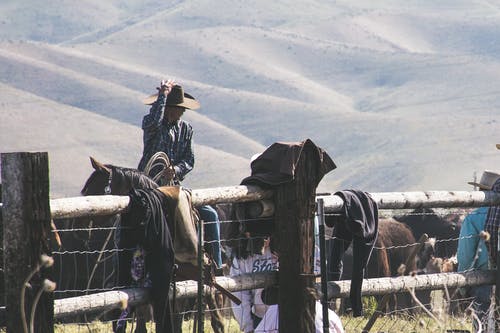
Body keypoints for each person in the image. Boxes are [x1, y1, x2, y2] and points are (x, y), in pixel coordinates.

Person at [138, 79, 222, 267]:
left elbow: (188, 161)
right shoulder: (152, 124)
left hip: (174, 187)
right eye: (179, 108)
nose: (183, 112)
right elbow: (153, 122)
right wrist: (162, 97)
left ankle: (216, 265)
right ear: (168, 108)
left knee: (209, 215)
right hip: (149, 186)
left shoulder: (186, 129)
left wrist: (175, 169)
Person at [457, 170, 499, 331]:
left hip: (482, 282)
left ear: (482, 192)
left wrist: (463, 287)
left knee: (482, 325)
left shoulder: (473, 218)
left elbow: (466, 257)